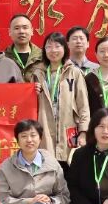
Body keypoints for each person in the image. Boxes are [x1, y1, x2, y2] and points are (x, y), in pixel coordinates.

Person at [33, 32, 90, 165]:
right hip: (45, 130)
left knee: (69, 167)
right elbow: (31, 105)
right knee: (47, 166)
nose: (53, 50)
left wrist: (83, 132)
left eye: (57, 46)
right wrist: (33, 92)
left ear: (65, 48)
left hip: (69, 130)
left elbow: (83, 105)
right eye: (49, 47)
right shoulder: (37, 74)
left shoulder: (74, 72)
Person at [5, 14, 43, 81]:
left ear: (32, 31)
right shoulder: (4, 58)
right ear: (9, 32)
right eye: (17, 28)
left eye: (25, 28)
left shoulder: (43, 57)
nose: (21, 31)